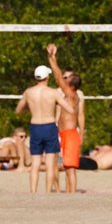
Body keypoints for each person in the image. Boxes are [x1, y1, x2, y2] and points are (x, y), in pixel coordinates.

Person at [16, 65, 73, 193]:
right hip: (49, 126)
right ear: (47, 77)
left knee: (35, 163)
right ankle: (47, 192)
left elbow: (18, 110)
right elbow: (69, 109)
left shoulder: (28, 92)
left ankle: (33, 191)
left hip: (35, 126)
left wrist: (29, 107)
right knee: (50, 163)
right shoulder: (53, 93)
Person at [46, 44, 85, 193]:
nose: (64, 78)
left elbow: (57, 75)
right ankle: (68, 193)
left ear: (72, 83)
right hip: (63, 133)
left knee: (70, 169)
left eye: (67, 78)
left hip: (70, 134)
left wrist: (52, 58)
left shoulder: (71, 94)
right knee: (64, 166)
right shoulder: (69, 94)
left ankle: (72, 194)